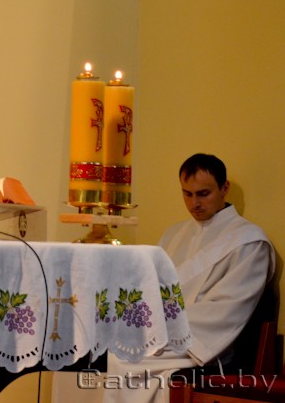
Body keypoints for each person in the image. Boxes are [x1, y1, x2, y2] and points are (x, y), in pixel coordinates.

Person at [101, 153, 275, 403]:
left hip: (202, 343)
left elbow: (226, 309)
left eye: (203, 194)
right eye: (187, 194)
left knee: (123, 358)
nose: (195, 203)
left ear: (224, 188)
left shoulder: (249, 242)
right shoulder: (174, 235)